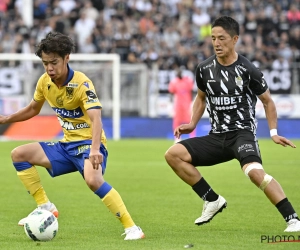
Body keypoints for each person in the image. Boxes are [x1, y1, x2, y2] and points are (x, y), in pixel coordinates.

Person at [0, 32, 145, 240]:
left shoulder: (82, 84)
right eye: (45, 63)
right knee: (19, 154)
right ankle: (46, 206)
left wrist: (95, 149)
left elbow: (96, 118)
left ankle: (132, 228)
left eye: (54, 62)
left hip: (88, 145)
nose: (49, 68)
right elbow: (33, 108)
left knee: (93, 181)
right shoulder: (44, 82)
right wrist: (6, 119)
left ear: (67, 58)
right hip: (66, 146)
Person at [164, 16, 300, 232]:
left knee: (255, 173)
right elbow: (201, 98)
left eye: (222, 38)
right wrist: (191, 123)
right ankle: (212, 200)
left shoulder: (247, 69)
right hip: (217, 137)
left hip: (241, 135)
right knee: (173, 154)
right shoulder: (204, 69)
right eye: (213, 38)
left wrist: (273, 132)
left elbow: (268, 101)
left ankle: (293, 219)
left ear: (235, 39)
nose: (217, 43)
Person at [168, 68, 195, 142]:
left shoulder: (188, 81)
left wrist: (192, 102)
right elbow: (171, 93)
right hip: (178, 105)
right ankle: (177, 137)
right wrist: (170, 105)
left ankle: (192, 137)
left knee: (191, 121)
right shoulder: (174, 82)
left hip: (187, 104)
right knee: (176, 121)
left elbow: (192, 91)